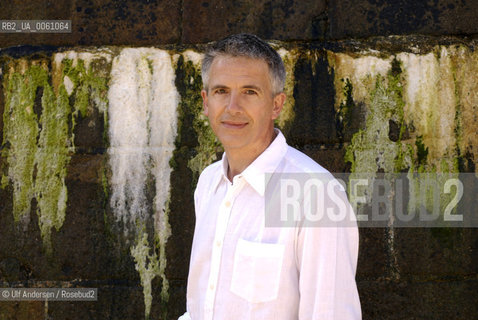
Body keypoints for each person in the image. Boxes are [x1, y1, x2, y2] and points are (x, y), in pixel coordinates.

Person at [179, 33, 361, 320]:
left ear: (276, 104)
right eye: (221, 91)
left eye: (250, 92)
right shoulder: (209, 183)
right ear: (205, 102)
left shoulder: (316, 195)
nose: (232, 108)